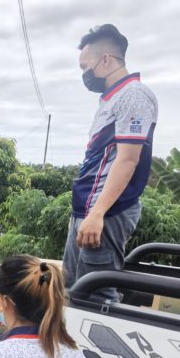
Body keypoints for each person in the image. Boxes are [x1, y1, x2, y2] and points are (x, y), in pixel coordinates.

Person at [64, 24, 158, 302]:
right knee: (73, 289)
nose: (84, 74)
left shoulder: (134, 95)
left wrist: (97, 214)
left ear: (106, 60)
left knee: (97, 295)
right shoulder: (110, 100)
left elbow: (127, 160)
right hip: (86, 210)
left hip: (105, 213)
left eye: (85, 67)